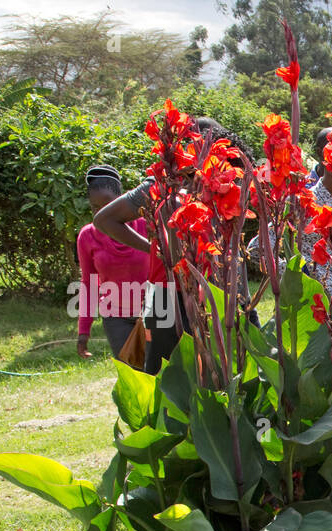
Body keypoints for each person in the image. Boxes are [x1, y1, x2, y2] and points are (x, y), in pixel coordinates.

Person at [95, 117, 252, 373]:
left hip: (219, 290)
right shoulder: (163, 186)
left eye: (203, 144)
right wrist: (156, 249)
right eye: (191, 143)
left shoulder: (228, 183)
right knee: (169, 376)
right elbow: (104, 219)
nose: (196, 150)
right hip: (168, 295)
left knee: (225, 372)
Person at [76, 165, 150, 360]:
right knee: (131, 374)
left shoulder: (146, 225)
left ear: (122, 200)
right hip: (116, 317)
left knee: (157, 372)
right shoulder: (87, 236)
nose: (101, 213)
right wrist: (84, 332)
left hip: (154, 311)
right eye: (95, 208)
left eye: (108, 206)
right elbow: (89, 283)